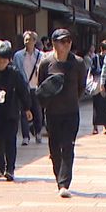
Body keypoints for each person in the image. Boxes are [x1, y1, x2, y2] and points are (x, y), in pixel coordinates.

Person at [35, 28, 87, 198]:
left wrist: (72, 99)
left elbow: (81, 87)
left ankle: (64, 183)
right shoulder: (45, 63)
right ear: (54, 43)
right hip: (52, 112)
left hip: (71, 112)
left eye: (68, 41)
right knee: (54, 149)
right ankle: (59, 177)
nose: (66, 44)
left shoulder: (78, 63)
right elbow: (41, 87)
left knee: (67, 146)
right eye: (62, 41)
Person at [0, 40, 32, 181]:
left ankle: (10, 169)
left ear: (9, 61)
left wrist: (27, 108)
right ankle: (0, 167)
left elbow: (23, 91)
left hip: (11, 112)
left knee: (10, 141)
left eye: (4, 61)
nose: (0, 63)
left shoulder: (14, 74)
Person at [11, 31, 44, 145]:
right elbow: (15, 70)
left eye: (29, 39)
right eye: (25, 39)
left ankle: (38, 132)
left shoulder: (40, 55)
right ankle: (26, 136)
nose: (27, 41)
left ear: (35, 41)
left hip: (36, 86)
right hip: (24, 87)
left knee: (38, 111)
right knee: (24, 111)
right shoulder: (18, 55)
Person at [90, 39, 106, 134]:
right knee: (96, 106)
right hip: (97, 84)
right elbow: (92, 71)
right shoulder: (95, 58)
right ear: (101, 48)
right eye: (105, 49)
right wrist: (102, 71)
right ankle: (95, 127)